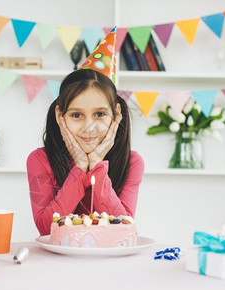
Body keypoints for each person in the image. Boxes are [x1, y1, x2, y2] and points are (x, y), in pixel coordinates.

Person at [26, 28, 144, 236]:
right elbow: (46, 229)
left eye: (99, 114)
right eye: (76, 115)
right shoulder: (40, 160)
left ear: (116, 114)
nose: (89, 127)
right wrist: (80, 168)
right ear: (60, 116)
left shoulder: (132, 162)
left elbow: (124, 229)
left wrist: (97, 166)